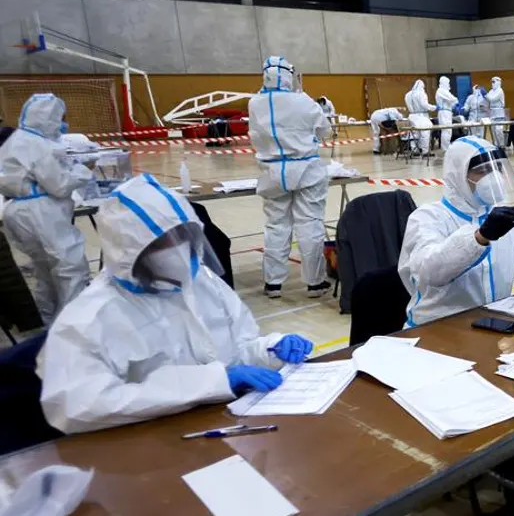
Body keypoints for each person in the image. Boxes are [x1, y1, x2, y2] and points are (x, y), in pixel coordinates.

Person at [36, 174, 315, 434]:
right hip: (150, 440)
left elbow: (238, 349)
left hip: (225, 421)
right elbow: (78, 407)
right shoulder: (89, 318)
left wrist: (270, 349)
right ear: (130, 251)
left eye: (183, 236)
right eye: (161, 243)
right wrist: (213, 383)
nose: (178, 250)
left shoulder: (202, 282)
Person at [398, 136, 514, 327]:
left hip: (494, 322)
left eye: (496, 169)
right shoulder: (428, 217)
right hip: (437, 327)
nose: (492, 177)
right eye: (481, 171)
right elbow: (430, 272)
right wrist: (479, 238)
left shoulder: (503, 217)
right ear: (458, 175)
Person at [0, 93, 92, 326]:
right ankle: (73, 326)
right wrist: (84, 170)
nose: (63, 122)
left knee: (43, 272)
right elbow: (60, 186)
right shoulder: (39, 145)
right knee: (70, 269)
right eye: (61, 117)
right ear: (49, 117)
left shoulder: (17, 139)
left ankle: (48, 322)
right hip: (41, 213)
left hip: (16, 211)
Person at [248, 56, 332, 299]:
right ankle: (315, 283)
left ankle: (273, 284)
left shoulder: (255, 103)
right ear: (287, 75)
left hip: (272, 172)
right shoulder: (302, 101)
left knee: (276, 226)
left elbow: (255, 136)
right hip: (306, 170)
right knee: (310, 225)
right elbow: (324, 130)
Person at [404, 79, 436, 156]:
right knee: (425, 133)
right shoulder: (421, 93)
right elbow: (424, 105)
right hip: (421, 117)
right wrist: (434, 107)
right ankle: (425, 151)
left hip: (411, 116)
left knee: (414, 134)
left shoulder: (407, 94)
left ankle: (415, 150)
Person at [435, 76, 459, 151]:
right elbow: (451, 98)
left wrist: (454, 105)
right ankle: (445, 148)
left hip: (447, 112)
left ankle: (446, 146)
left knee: (448, 131)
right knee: (446, 130)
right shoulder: (441, 90)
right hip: (444, 113)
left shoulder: (444, 91)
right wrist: (456, 101)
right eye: (447, 83)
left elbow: (450, 102)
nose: (448, 84)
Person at [486, 76, 507, 147]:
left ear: (498, 82)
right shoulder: (491, 91)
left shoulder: (500, 90)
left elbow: (492, 99)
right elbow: (487, 99)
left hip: (499, 111)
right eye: (491, 82)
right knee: (493, 130)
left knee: (498, 130)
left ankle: (501, 145)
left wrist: (485, 94)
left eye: (493, 82)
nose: (492, 84)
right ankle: (496, 145)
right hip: (492, 111)